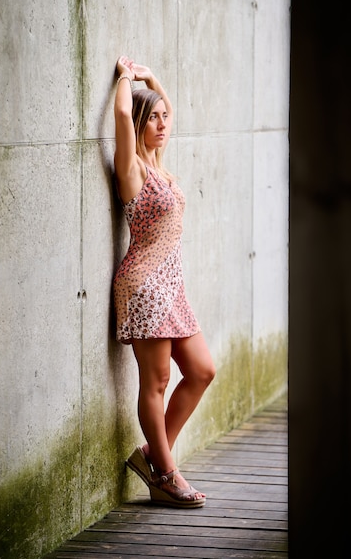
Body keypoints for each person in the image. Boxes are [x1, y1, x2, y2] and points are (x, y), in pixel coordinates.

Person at [113, 55, 216, 508]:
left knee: (201, 370)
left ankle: (156, 457)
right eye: (151, 118)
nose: (160, 123)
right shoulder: (132, 169)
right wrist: (125, 78)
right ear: (138, 124)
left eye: (162, 117)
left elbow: (168, 107)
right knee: (154, 382)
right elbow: (120, 113)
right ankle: (166, 474)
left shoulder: (160, 164)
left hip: (173, 286)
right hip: (144, 287)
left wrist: (154, 80)